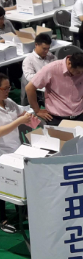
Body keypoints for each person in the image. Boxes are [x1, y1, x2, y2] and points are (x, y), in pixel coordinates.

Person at [0, 71, 33, 234]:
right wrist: (19, 121)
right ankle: (2, 219)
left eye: (9, 88)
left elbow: (22, 111)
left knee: (18, 183)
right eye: (5, 88)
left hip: (16, 150)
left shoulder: (9, 102)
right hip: (1, 153)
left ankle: (23, 212)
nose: (8, 91)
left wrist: (28, 115)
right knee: (2, 187)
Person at [26, 52, 83, 126]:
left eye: (82, 71)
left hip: (79, 116)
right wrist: (37, 110)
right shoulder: (51, 68)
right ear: (69, 63)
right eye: (78, 72)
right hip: (56, 119)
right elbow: (29, 88)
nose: (81, 73)